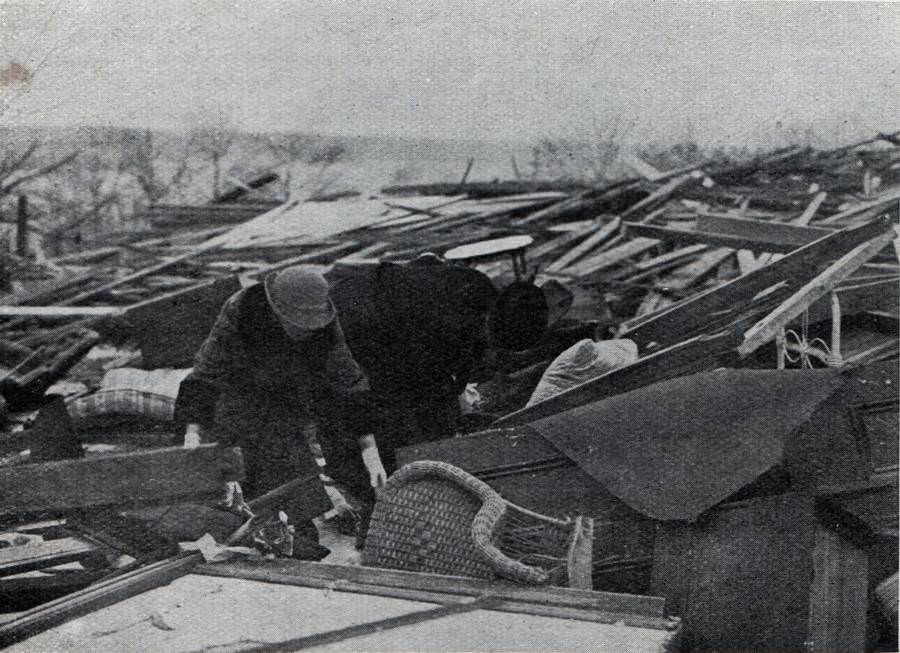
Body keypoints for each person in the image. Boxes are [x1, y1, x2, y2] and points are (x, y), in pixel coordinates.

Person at [175, 266, 387, 551]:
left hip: (287, 397)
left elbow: (348, 380)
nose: (303, 330)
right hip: (238, 391)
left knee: (294, 480)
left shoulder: (324, 319)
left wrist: (370, 452)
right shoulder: (242, 308)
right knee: (237, 484)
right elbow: (206, 371)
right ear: (276, 310)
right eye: (297, 323)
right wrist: (193, 432)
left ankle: (299, 543)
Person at [318, 258, 500, 528]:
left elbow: (454, 363)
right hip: (366, 333)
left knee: (421, 420)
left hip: (393, 331)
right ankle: (383, 508)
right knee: (392, 434)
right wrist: (370, 450)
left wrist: (457, 389)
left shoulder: (471, 296)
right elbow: (357, 396)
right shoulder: (346, 335)